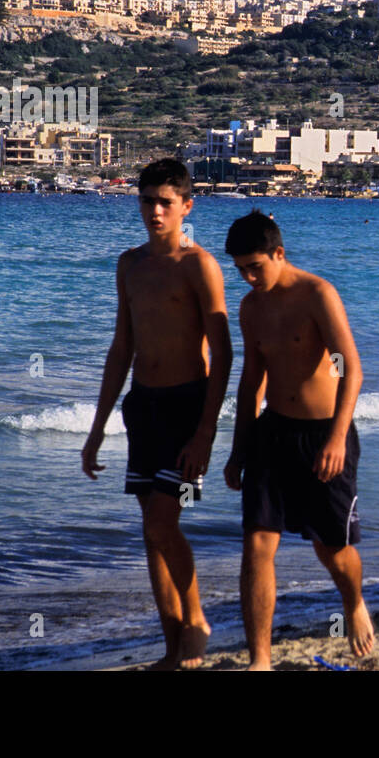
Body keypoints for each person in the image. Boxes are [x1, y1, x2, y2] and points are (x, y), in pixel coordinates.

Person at [81, 158, 233, 670]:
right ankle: (173, 645)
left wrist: (207, 432)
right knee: (151, 530)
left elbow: (223, 352)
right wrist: (97, 429)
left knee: (164, 524)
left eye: (166, 202)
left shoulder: (199, 265)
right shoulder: (129, 265)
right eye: (147, 200)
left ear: (187, 206)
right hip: (141, 407)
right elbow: (121, 348)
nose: (155, 211)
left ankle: (196, 625)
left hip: (186, 406)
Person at [223, 210, 373, 668]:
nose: (248, 277)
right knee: (257, 544)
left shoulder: (317, 295)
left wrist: (337, 439)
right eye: (240, 269)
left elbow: (351, 369)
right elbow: (252, 381)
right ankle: (260, 661)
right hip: (273, 434)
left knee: (331, 547)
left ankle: (354, 603)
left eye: (255, 266)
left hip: (325, 433)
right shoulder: (252, 307)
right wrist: (237, 450)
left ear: (279, 253)